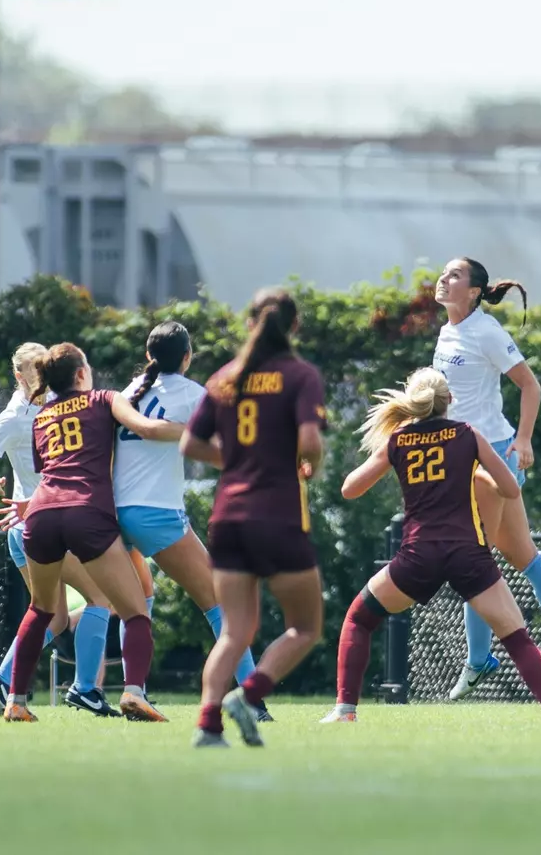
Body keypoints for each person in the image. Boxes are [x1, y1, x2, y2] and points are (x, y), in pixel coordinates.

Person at [324, 368, 541, 723]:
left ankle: (345, 711)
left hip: (418, 556)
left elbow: (350, 489)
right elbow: (510, 489)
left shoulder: (399, 440)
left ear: (413, 402)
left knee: (359, 619)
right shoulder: (467, 434)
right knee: (517, 637)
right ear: (450, 400)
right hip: (467, 555)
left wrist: (394, 449)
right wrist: (480, 473)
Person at [430, 257, 541, 700]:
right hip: (462, 456)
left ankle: (479, 660)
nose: (444, 279)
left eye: (455, 275)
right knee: (522, 554)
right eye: (444, 272)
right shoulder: (447, 331)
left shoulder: (486, 331)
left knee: (472, 554)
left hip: (492, 456)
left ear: (474, 292)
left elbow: (530, 385)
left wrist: (523, 440)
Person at [0, 343, 175, 723]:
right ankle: (134, 693)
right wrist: (197, 431)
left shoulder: (42, 416)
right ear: (80, 374)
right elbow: (144, 427)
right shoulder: (103, 399)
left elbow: (51, 472)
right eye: (88, 366)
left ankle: (16, 701)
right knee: (136, 610)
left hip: (40, 516)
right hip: (86, 513)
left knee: (41, 610)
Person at [183, 288, 327, 748]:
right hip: (278, 515)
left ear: (249, 323)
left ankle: (208, 725)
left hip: (228, 517)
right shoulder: (301, 375)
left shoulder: (225, 377)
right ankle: (248, 696)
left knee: (234, 631)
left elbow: (191, 444)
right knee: (305, 627)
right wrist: (308, 465)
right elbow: (309, 441)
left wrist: (235, 461)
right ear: (295, 327)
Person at [0, 341, 130, 718]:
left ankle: (4, 678)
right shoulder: (16, 416)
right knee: (100, 596)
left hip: (31, 524)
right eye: (36, 370)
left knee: (51, 615)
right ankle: (86, 689)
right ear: (19, 376)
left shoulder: (55, 404)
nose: (45, 376)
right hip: (42, 523)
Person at [114, 321, 269, 721]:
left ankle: (132, 690)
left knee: (135, 602)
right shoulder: (193, 394)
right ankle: (252, 701)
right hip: (156, 512)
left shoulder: (128, 393)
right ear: (187, 356)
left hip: (114, 512)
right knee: (221, 605)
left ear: (148, 355)